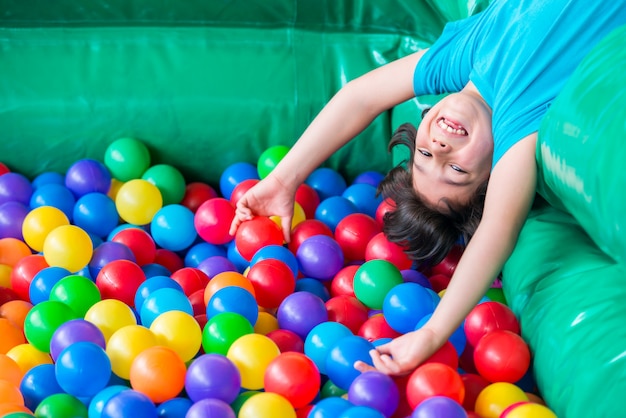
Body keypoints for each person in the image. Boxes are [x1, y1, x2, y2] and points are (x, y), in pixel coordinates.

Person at [229, 0, 626, 376]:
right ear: (495, 175)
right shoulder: (518, 126)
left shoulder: (460, 58)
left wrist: (283, 179)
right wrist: (432, 333)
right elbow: (496, 231)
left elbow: (360, 97)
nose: (439, 147)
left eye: (423, 155)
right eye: (455, 169)